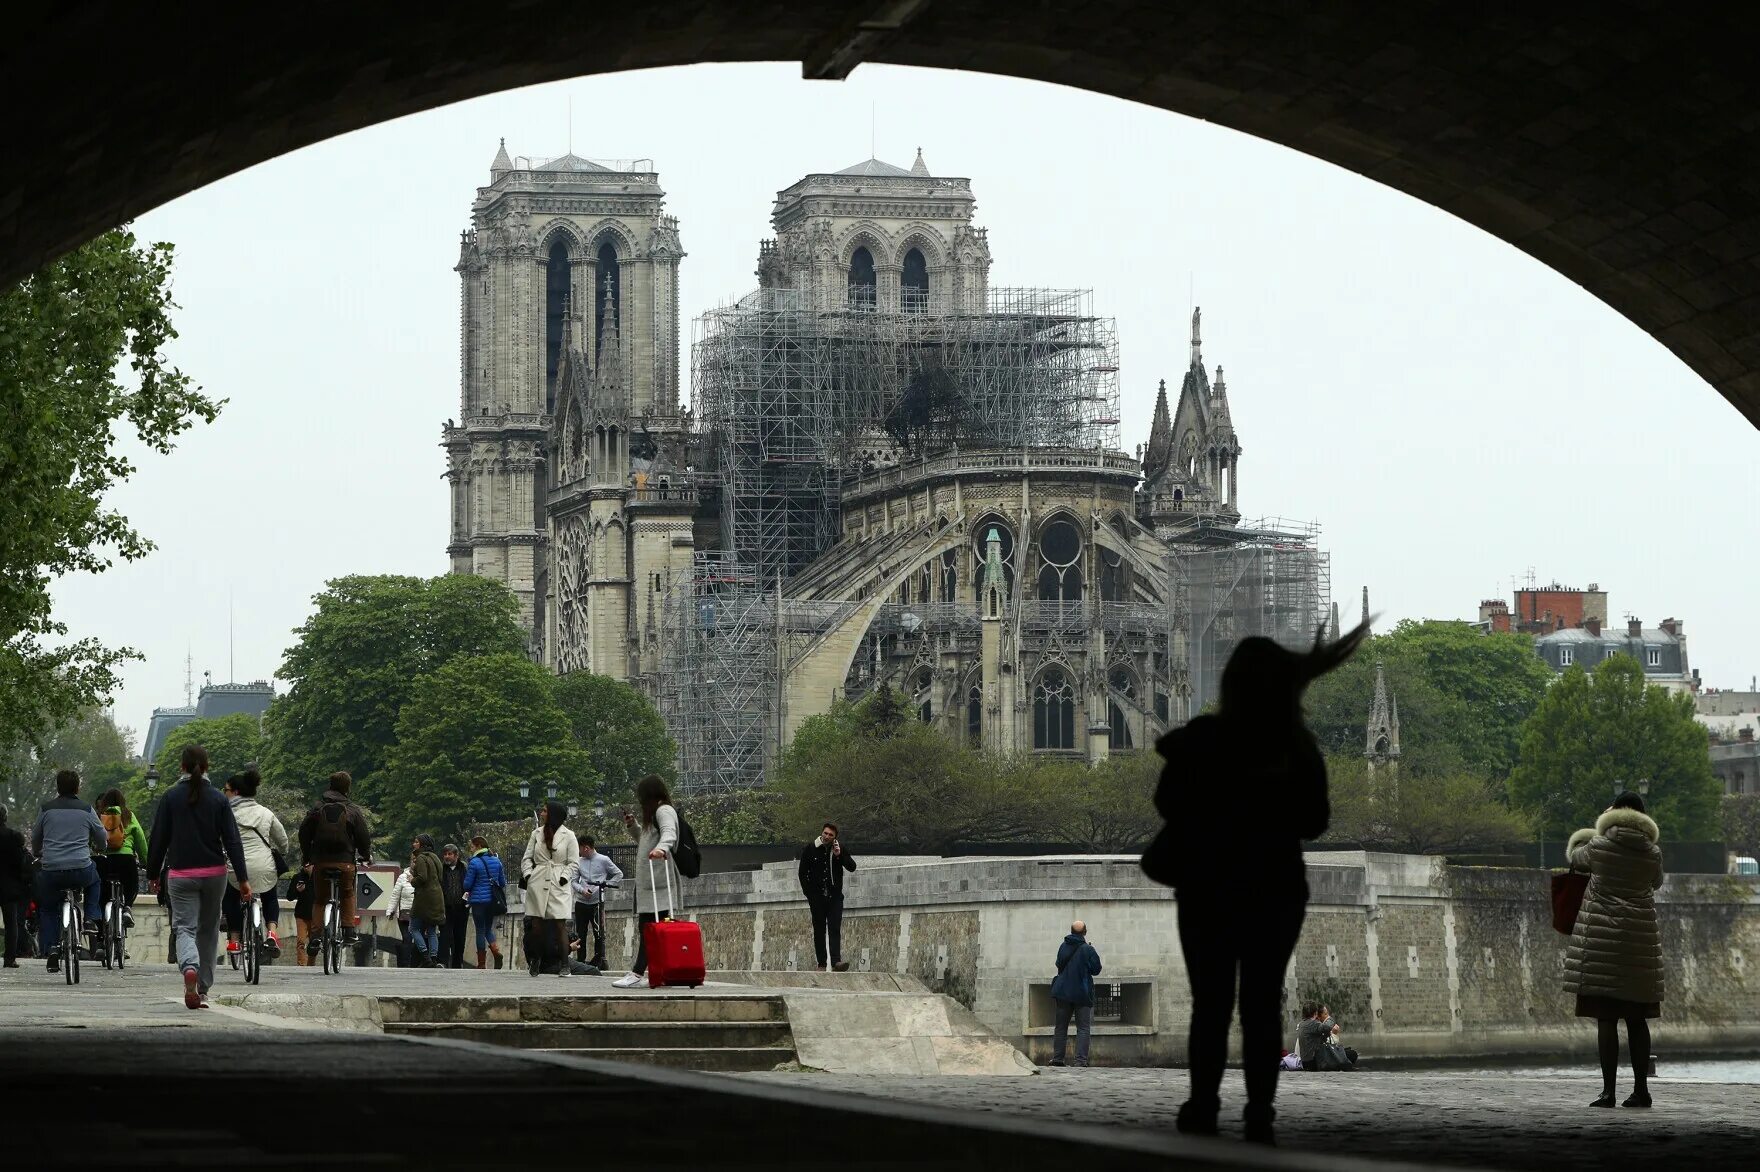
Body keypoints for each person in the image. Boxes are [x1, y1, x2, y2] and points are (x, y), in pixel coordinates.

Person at [1143, 620, 1369, 1145]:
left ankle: (1203, 1105)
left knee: (1212, 1003)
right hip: (1273, 886)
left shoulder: (1204, 741)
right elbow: (1315, 820)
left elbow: (1165, 803)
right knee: (1262, 1003)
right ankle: (1260, 1112)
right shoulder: (1295, 746)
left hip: (1207, 886)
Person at [1565, 790, 1665, 1109]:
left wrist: (1597, 829)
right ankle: (1641, 1091)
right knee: (1637, 1020)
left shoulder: (1598, 845)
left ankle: (1607, 1092)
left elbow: (1574, 857)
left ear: (1614, 812)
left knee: (1606, 1020)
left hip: (1601, 945)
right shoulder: (1652, 852)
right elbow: (1657, 882)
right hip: (1638, 945)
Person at [145, 745, 250, 1009]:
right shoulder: (218, 799)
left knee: (184, 927)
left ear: (181, 767)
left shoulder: (170, 798)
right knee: (209, 930)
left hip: (181, 874)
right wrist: (243, 878)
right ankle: (202, 988)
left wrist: (153, 872)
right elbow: (233, 842)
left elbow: (158, 839)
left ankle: (189, 967)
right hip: (215, 873)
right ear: (207, 767)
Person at [31, 769, 106, 973]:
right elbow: (101, 835)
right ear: (77, 788)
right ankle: (90, 917)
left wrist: (39, 852)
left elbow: (36, 837)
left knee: (47, 909)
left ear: (57, 787)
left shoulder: (46, 809)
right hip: (81, 868)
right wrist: (101, 847)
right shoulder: (86, 809)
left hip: (52, 869)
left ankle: (52, 948)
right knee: (95, 879)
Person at [612, 774, 679, 989]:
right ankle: (661, 972)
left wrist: (662, 848)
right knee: (652, 929)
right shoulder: (654, 814)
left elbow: (670, 833)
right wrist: (634, 827)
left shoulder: (664, 811)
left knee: (649, 929)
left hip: (658, 883)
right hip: (651, 883)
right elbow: (646, 839)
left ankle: (637, 972)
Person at [297, 771, 372, 958]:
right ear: (347, 787)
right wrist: (365, 855)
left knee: (320, 899)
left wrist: (307, 856)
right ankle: (348, 930)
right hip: (345, 861)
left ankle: (315, 936)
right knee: (347, 893)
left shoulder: (317, 808)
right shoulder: (353, 810)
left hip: (321, 862)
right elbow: (363, 837)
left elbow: (304, 833)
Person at [221, 769, 289, 959]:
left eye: (225, 790)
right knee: (270, 897)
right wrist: (282, 852)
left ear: (235, 792)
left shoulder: (227, 814)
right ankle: (272, 932)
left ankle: (234, 938)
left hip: (237, 868)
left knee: (231, 896)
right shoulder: (266, 813)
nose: (224, 794)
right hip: (264, 866)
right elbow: (283, 840)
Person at [521, 800, 580, 978]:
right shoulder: (536, 834)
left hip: (558, 880)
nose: (541, 813)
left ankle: (564, 964)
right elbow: (527, 858)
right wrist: (529, 875)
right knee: (536, 925)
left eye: (545, 811)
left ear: (552, 814)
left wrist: (564, 877)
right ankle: (536, 959)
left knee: (559, 924)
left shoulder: (569, 835)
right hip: (538, 880)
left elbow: (574, 862)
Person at [798, 821, 856, 972]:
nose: (827, 836)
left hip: (834, 897)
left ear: (835, 837)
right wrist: (809, 893)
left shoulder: (839, 849)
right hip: (817, 897)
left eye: (830, 835)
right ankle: (822, 963)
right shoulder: (810, 849)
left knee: (834, 928)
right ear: (821, 832)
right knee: (819, 929)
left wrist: (839, 855)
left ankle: (836, 961)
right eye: (825, 833)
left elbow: (852, 867)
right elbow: (802, 873)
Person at [1049, 920, 1103, 1068]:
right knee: (1083, 1028)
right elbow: (1096, 970)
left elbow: (1059, 964)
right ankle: (1080, 1061)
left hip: (1063, 992)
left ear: (1071, 931)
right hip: (1082, 993)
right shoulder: (1088, 950)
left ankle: (1058, 1059)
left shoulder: (1063, 946)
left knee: (1060, 1027)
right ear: (1085, 932)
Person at [95, 787, 147, 928]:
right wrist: (145, 861)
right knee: (131, 885)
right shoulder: (128, 815)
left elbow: (92, 837)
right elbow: (140, 838)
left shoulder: (99, 815)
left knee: (102, 895)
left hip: (104, 859)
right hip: (126, 858)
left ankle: (101, 937)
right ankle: (127, 908)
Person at [571, 835, 622, 969]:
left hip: (597, 903)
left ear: (586, 848)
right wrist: (582, 890)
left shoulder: (604, 860)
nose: (579, 852)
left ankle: (599, 960)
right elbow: (573, 881)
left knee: (598, 932)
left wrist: (606, 884)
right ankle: (580, 961)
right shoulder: (578, 861)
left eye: (580, 849)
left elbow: (618, 874)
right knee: (580, 933)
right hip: (581, 903)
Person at [462, 835, 507, 969]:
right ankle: (496, 951)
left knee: (480, 930)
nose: (471, 849)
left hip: (478, 902)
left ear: (478, 846)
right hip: (492, 902)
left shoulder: (474, 863)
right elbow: (502, 882)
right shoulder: (496, 861)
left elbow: (467, 885)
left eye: (472, 846)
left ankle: (481, 964)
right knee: (488, 928)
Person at [0, 807, 30, 967]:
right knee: (11, 922)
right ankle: (9, 958)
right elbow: (20, 862)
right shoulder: (13, 837)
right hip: (9, 886)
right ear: (5, 817)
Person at [408, 834, 444, 967]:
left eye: (416, 842)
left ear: (422, 844)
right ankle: (434, 958)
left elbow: (422, 877)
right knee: (432, 929)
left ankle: (425, 956)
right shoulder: (435, 857)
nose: (414, 844)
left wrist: (412, 880)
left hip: (424, 897)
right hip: (437, 896)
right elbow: (440, 877)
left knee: (413, 928)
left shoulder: (421, 858)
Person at [1296, 1002, 1357, 1071]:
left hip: (1306, 1062)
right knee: (1351, 1054)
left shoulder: (1301, 1024)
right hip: (1315, 1062)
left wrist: (1326, 1034)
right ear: (1315, 1013)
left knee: (1346, 1053)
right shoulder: (1313, 1024)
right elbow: (1328, 1027)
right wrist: (1330, 1019)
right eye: (1325, 1014)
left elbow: (1320, 1039)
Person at [439, 843, 470, 968]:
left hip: (461, 908)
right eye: (445, 854)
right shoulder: (441, 869)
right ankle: (443, 961)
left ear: (456, 855)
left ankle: (458, 962)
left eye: (450, 854)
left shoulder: (464, 868)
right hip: (446, 907)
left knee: (460, 936)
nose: (447, 857)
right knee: (445, 935)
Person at [385, 862, 415, 966]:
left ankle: (415, 962)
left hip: (419, 914)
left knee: (418, 939)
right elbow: (395, 895)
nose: (415, 863)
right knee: (407, 937)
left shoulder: (425, 877)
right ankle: (406, 963)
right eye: (413, 861)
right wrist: (390, 910)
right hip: (404, 914)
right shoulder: (402, 877)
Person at [287, 865, 316, 966]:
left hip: (315, 915)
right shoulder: (298, 877)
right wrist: (297, 891)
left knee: (314, 942)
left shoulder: (318, 878)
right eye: (305, 864)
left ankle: (311, 964)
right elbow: (289, 896)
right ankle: (301, 964)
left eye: (309, 864)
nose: (307, 866)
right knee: (301, 941)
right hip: (301, 914)